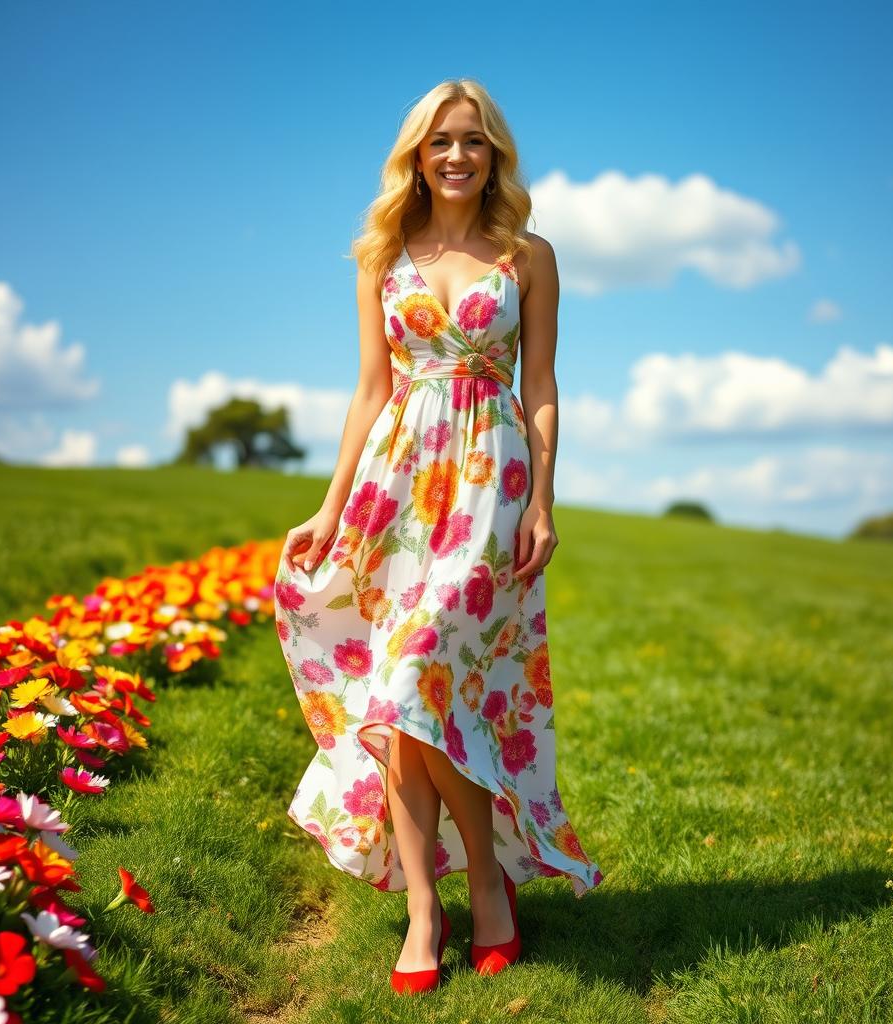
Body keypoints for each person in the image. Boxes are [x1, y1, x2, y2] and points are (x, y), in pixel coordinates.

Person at [274, 78, 603, 996]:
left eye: (473, 141)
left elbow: (540, 386)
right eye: (439, 143)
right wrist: (331, 507)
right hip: (398, 485)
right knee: (401, 706)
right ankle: (432, 905)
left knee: (420, 668)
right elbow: (372, 388)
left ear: (494, 152)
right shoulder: (383, 256)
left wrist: (541, 501)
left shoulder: (528, 256)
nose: (456, 156)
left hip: (490, 483)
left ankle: (487, 876)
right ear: (416, 157)